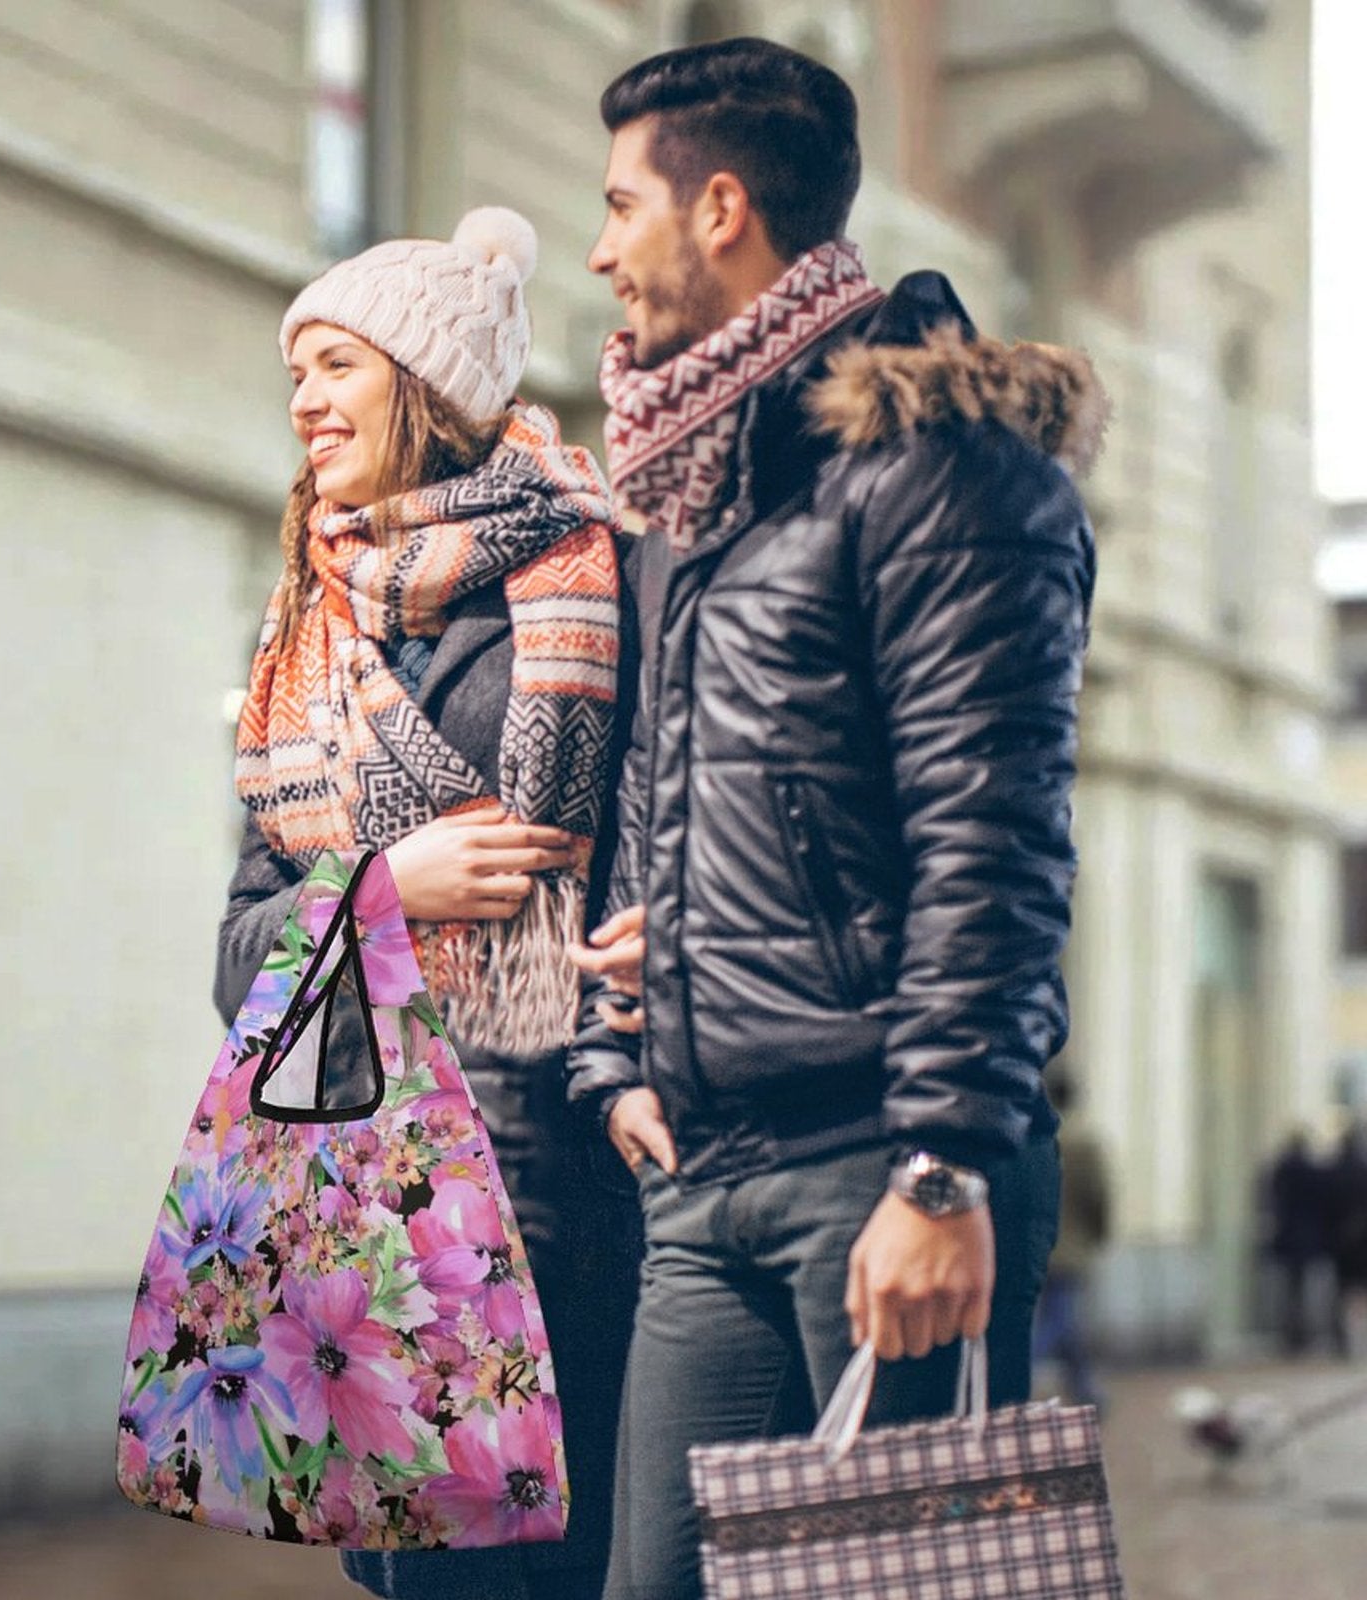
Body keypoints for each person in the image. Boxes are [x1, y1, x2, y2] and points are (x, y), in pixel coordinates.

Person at [564, 38, 1104, 1600]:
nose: (600, 250)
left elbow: (990, 844)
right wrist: (615, 1053)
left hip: (880, 1165)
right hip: (706, 1178)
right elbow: (665, 822)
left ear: (718, 206)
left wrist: (941, 1168)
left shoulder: (939, 470)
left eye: (618, 207)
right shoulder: (700, 496)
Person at [215, 207, 641, 1600]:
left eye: (336, 366)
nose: (304, 402)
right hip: (381, 1188)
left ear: (425, 384)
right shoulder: (301, 632)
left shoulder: (587, 575)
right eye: (296, 375)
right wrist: (385, 890)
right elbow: (238, 955)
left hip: (571, 1174)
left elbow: (646, 853)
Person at [1031, 1067, 1111, 1404]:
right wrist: (1101, 1231)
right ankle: (1027, 1369)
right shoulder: (1083, 1141)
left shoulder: (1032, 1136)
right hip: (1071, 1244)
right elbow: (1098, 1193)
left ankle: (1085, 1388)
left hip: (1037, 1242)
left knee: (1061, 1317)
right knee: (1061, 1319)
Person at [1263, 1128, 1330, 1355]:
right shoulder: (1312, 1170)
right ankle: (1300, 1332)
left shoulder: (1281, 1169)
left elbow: (1270, 1199)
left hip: (1287, 1235)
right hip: (1307, 1237)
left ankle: (1291, 1333)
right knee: (1300, 1286)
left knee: (1290, 1288)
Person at [1326, 1121, 1367, 1358]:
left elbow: (1326, 1207)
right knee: (1361, 1288)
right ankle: (1358, 1337)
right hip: (1362, 1239)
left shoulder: (1334, 1171)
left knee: (1342, 1289)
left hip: (1340, 1240)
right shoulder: (1363, 1170)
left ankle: (1343, 1338)